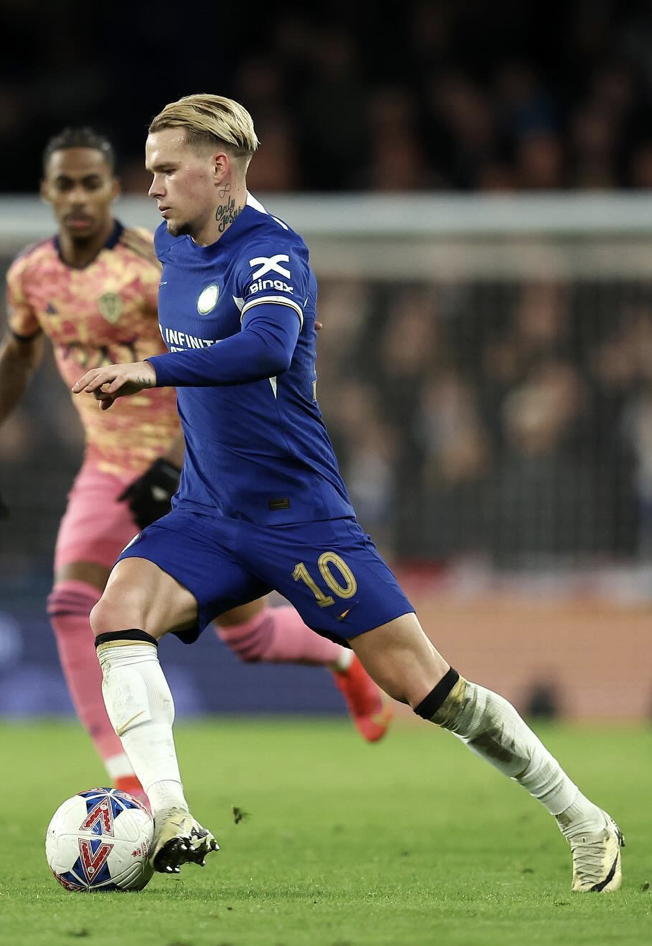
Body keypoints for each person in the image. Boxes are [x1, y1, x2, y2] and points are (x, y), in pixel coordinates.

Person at [73, 94, 623, 891]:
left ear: (219, 168)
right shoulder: (172, 242)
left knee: (431, 690)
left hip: (300, 519)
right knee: (117, 612)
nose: (151, 187)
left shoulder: (272, 252)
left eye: (166, 170)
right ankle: (169, 814)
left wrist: (152, 369)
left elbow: (267, 346)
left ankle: (584, 820)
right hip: (208, 511)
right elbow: (249, 325)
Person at [0, 127, 392, 800]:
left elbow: (227, 322)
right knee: (71, 603)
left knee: (248, 637)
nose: (79, 197)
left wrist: (288, 321)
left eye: (92, 183)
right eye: (65, 184)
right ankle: (130, 783)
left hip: (185, 458)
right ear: (46, 193)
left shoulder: (152, 256)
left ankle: (339, 658)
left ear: (111, 189)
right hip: (105, 466)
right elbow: (19, 356)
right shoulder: (30, 274)